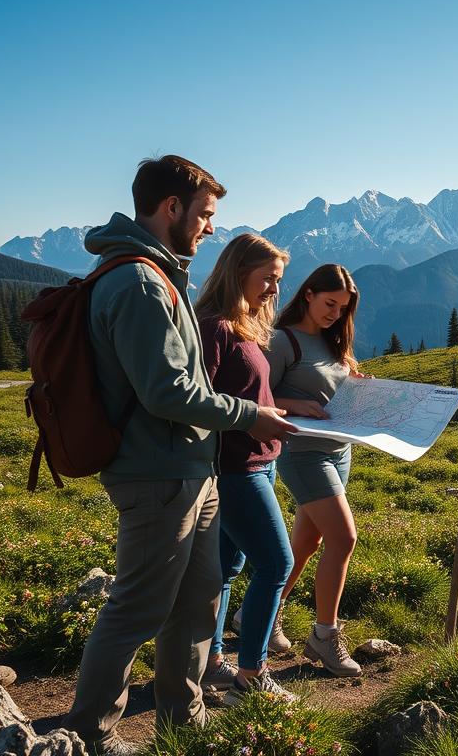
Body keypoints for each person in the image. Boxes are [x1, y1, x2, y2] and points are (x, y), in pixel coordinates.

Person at [62, 156, 296, 755]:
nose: (210, 227)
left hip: (193, 470)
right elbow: (167, 392)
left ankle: (182, 720)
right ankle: (88, 735)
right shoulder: (139, 282)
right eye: (205, 214)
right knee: (137, 610)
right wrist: (251, 415)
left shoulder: (162, 274)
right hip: (158, 474)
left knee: (199, 602)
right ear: (171, 209)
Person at [194, 233, 298, 703]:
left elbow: (248, 392)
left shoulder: (245, 324)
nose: (274, 289)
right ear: (239, 274)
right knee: (276, 563)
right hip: (235, 469)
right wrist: (252, 421)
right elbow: (198, 400)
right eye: (268, 279)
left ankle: (211, 663)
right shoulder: (214, 326)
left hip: (258, 462)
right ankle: (252, 677)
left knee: (226, 567)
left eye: (278, 280)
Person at [267, 263, 366, 677]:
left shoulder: (332, 340)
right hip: (303, 452)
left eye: (342, 308)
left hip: (338, 450)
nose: (335, 314)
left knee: (306, 542)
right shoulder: (281, 340)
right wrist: (292, 404)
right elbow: (256, 395)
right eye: (329, 304)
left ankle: (264, 616)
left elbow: (327, 385)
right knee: (344, 539)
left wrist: (357, 383)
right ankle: (324, 637)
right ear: (307, 294)